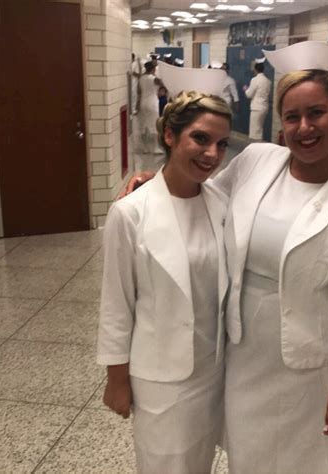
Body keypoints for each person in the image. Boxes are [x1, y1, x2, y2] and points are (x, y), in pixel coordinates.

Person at [121, 41, 328, 474]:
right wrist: (158, 180)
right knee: (248, 458)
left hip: (307, 362)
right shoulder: (259, 161)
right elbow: (203, 193)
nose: (304, 127)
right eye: (292, 116)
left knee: (304, 461)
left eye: (317, 113)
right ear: (281, 123)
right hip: (242, 351)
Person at [97, 90, 232, 473]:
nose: (212, 154)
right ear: (170, 135)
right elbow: (116, 304)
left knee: (199, 463)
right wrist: (116, 380)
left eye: (222, 144)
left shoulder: (220, 202)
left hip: (213, 370)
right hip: (161, 377)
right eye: (200, 138)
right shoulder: (130, 214)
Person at [134, 61, 162, 154]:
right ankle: (155, 148)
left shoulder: (141, 78)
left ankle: (145, 148)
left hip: (143, 102)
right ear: (153, 69)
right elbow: (164, 84)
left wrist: (137, 105)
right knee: (154, 126)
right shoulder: (154, 79)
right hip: (152, 103)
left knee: (144, 126)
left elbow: (138, 92)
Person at [243, 59, 271, 140]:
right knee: (259, 129)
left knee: (254, 131)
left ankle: (254, 146)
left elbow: (249, 94)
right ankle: (259, 144)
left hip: (256, 107)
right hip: (264, 107)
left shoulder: (255, 80)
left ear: (255, 69)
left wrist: (245, 89)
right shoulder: (268, 81)